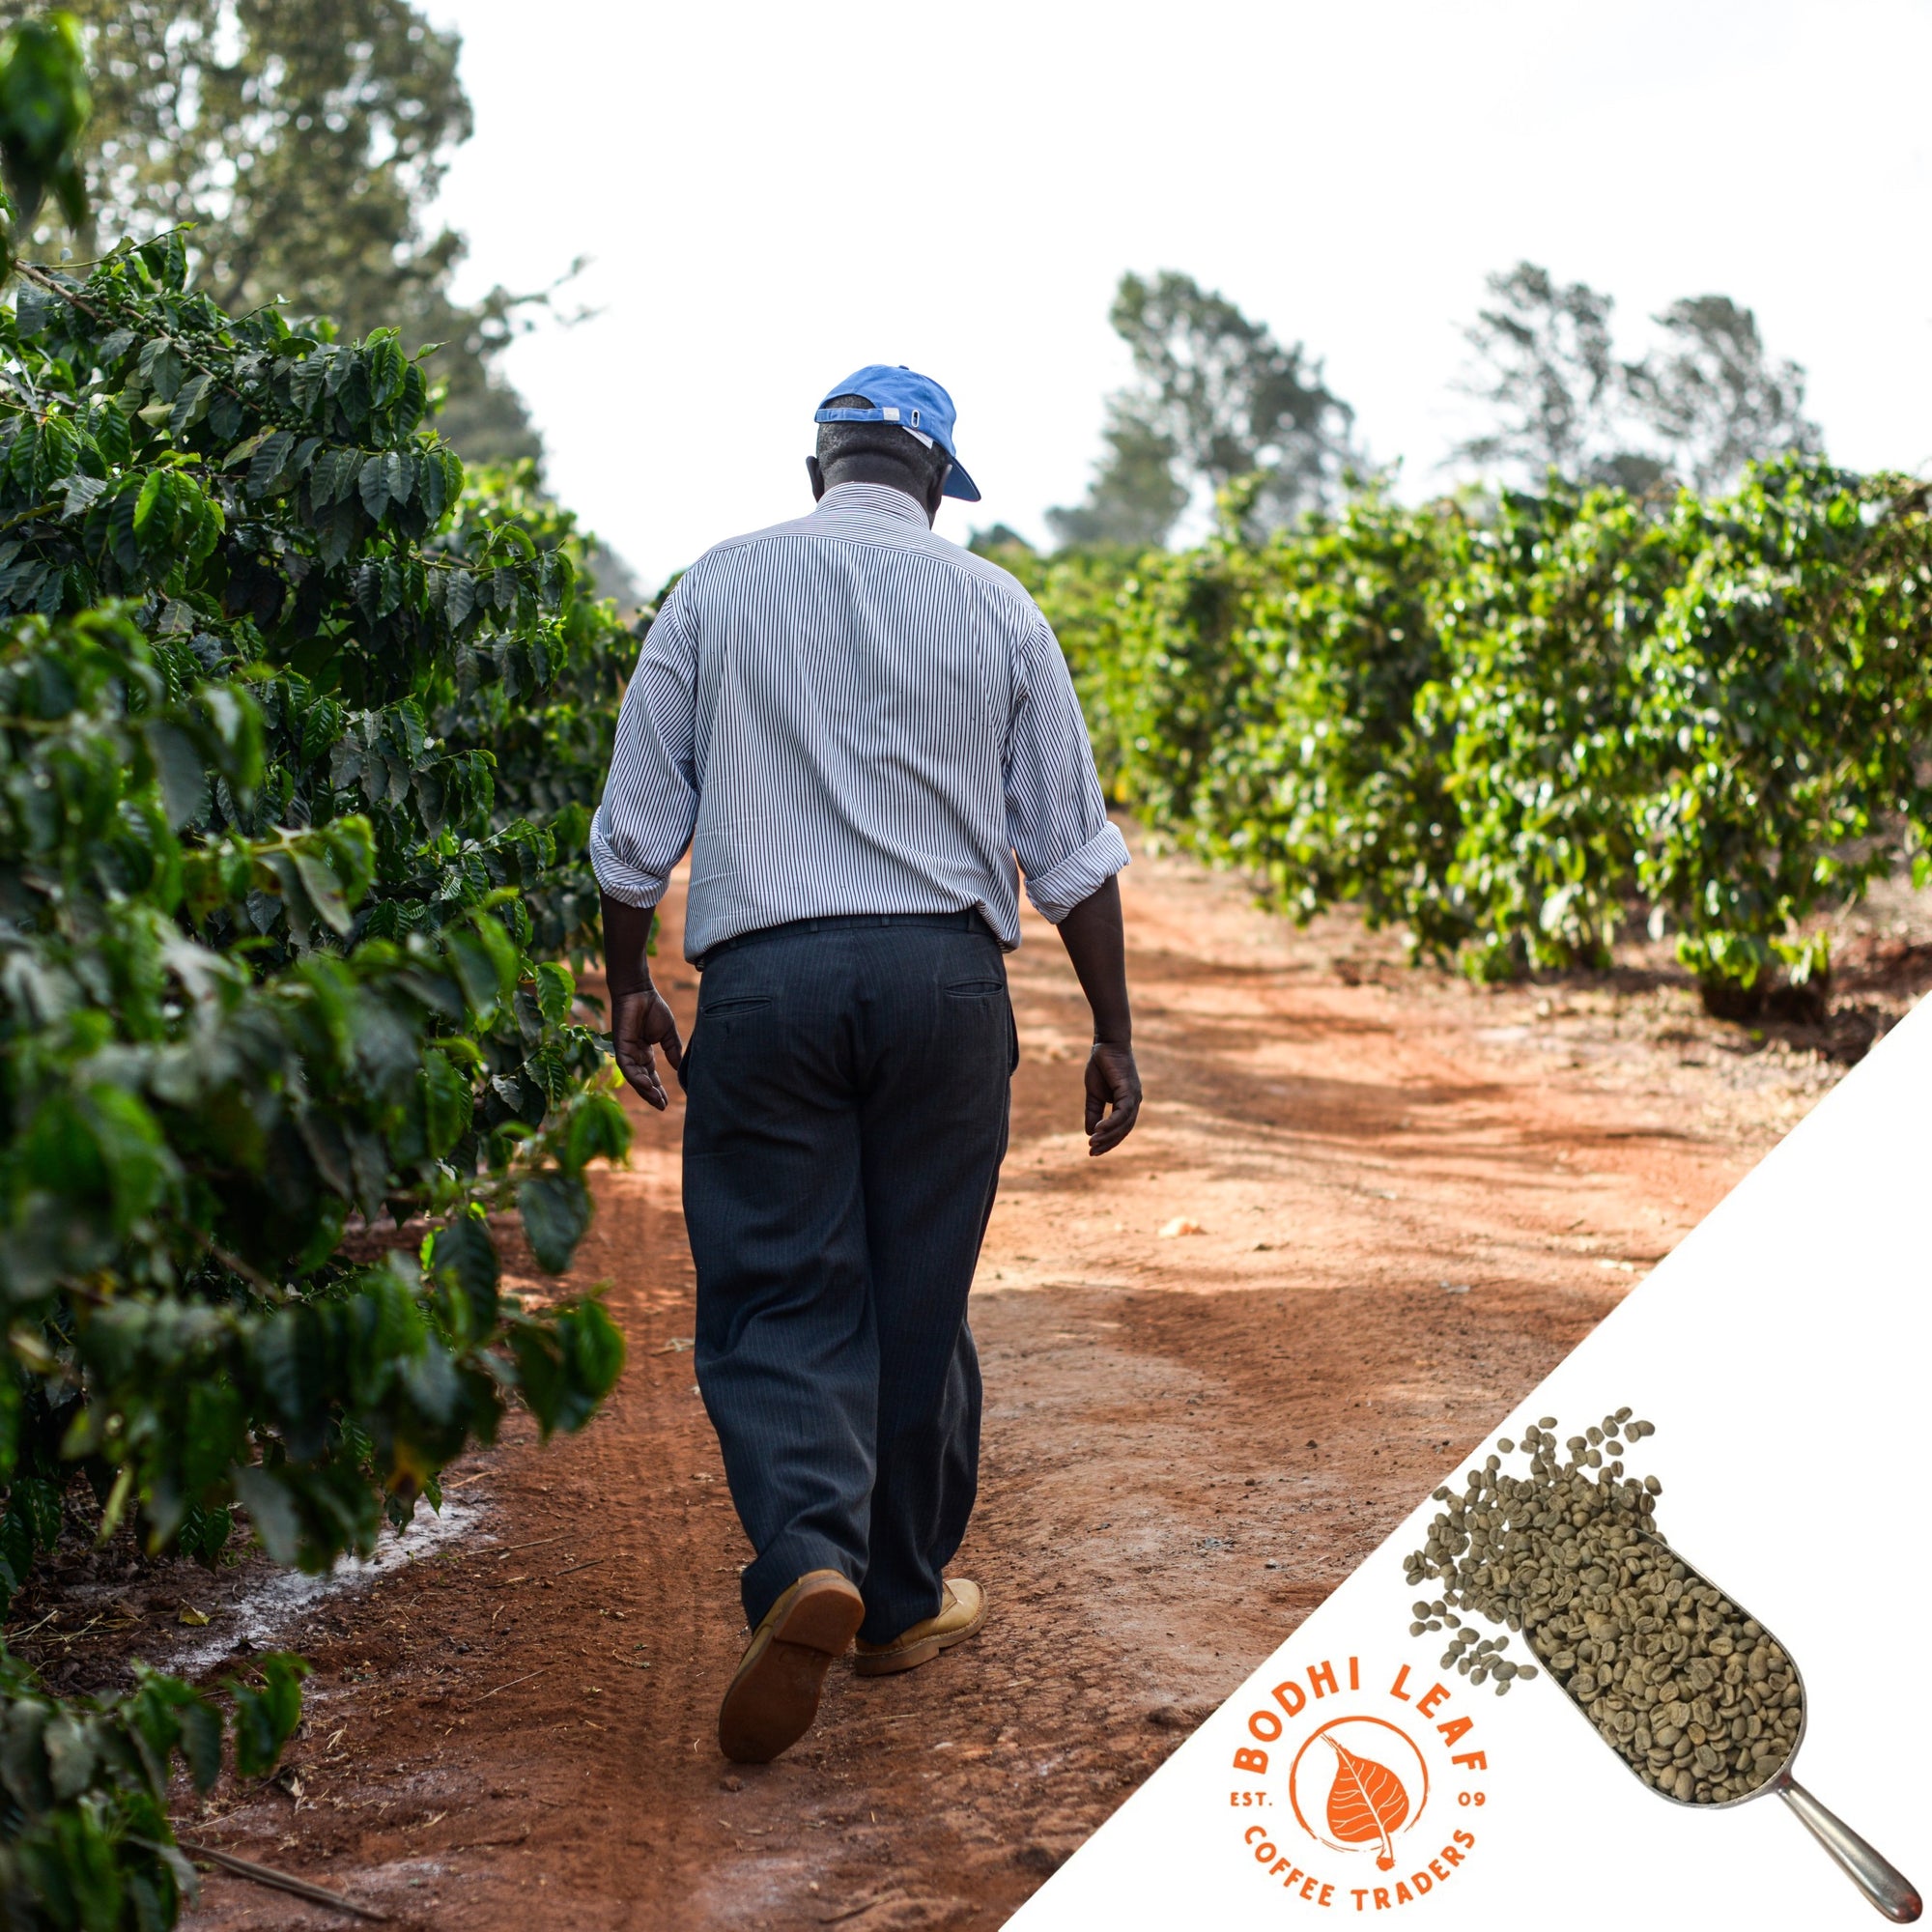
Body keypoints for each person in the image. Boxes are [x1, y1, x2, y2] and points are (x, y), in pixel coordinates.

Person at [592, 364, 1141, 1764]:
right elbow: (1069, 850)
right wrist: (1114, 1031)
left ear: (817, 468)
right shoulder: (997, 604)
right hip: (945, 991)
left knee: (780, 1284)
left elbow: (634, 826)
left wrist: (627, 986)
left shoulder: (714, 589)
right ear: (938, 488)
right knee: (918, 1285)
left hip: (770, 986)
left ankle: (804, 1560)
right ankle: (897, 1599)